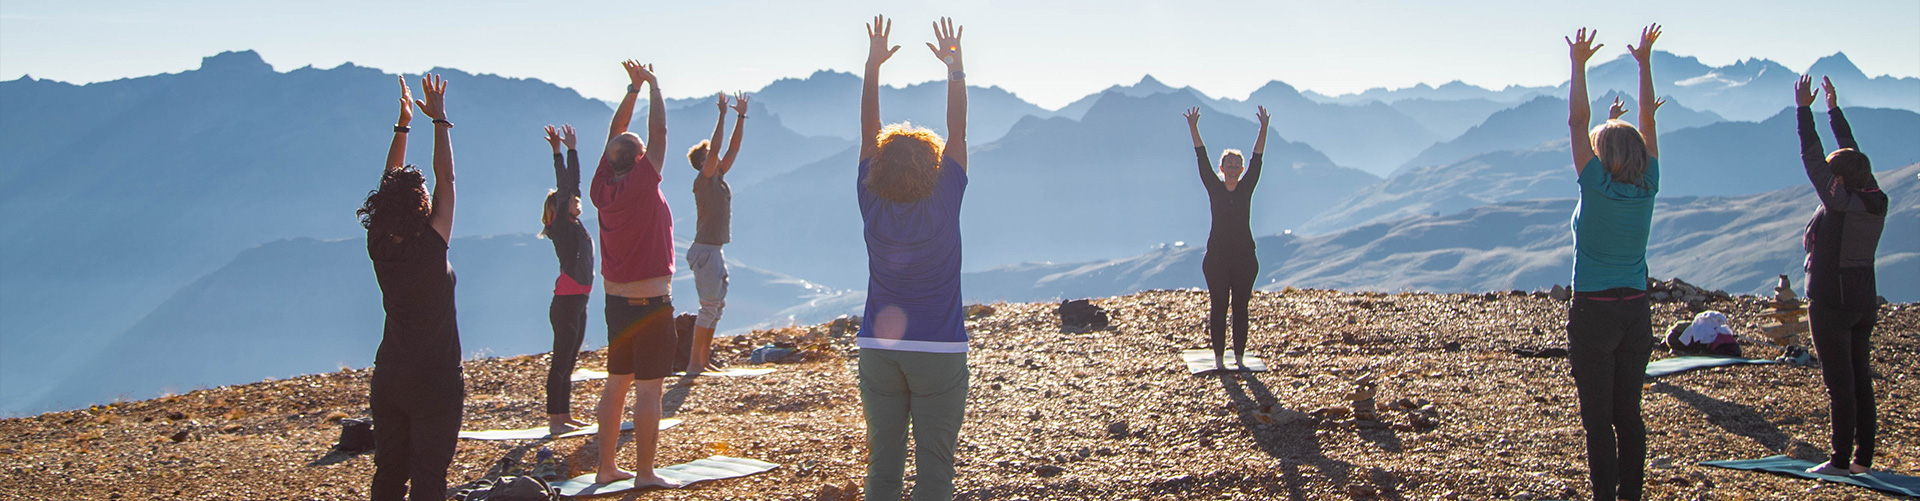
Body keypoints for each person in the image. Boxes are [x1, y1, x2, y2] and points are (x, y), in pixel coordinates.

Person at [855, 15, 971, 501]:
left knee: (883, 465)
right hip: (939, 351)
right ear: (934, 163)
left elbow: (868, 130)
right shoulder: (945, 197)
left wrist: (872, 67)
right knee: (934, 471)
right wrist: (954, 68)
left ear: (879, 163)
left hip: (878, 350)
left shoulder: (871, 199)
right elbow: (958, 128)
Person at [1563, 25, 1663, 501]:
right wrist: (1643, 63)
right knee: (1629, 414)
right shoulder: (1649, 185)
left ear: (1602, 157)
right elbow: (1646, 122)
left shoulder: (1594, 185)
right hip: (1635, 311)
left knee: (1597, 419)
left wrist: (1578, 66)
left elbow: (1575, 123)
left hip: (1594, 312)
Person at [358, 74, 462, 501]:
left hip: (391, 375)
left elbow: (390, 184)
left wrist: (403, 126)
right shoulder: (432, 243)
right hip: (435, 379)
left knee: (389, 474)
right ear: (421, 204)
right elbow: (446, 179)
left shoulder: (378, 241)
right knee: (428, 477)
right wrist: (439, 121)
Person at [587, 60, 681, 489]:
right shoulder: (644, 179)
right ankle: (644, 473)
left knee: (616, 384)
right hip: (652, 304)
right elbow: (658, 134)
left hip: (615, 302)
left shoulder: (601, 186)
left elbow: (614, 138)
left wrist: (631, 90)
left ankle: (606, 467)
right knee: (648, 390)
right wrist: (655, 86)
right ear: (641, 159)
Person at [1793, 74, 1887, 476]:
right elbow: (1855, 157)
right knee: (1860, 380)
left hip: (1833, 302)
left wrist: (1803, 111)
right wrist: (1833, 111)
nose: (1827, 182)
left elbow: (1814, 161)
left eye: (1835, 178)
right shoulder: (1872, 196)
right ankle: (1863, 459)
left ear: (1840, 182)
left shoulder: (1840, 204)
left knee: (1839, 385)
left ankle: (1838, 461)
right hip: (1864, 302)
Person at [1181, 104, 1270, 372]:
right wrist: (1193, 128)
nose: (1232, 169)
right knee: (1219, 307)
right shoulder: (1214, 187)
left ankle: (1239, 359)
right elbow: (1201, 158)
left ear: (1241, 170)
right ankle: (1219, 359)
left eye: (1236, 165)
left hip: (1245, 258)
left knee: (1241, 308)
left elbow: (1258, 158)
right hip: (1217, 259)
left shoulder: (1246, 187)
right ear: (1222, 167)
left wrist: (1263, 128)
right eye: (1228, 165)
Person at [685, 92, 750, 373]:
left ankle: (703, 360)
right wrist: (722, 115)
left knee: (716, 307)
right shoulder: (703, 180)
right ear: (703, 163)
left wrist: (741, 116)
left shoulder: (719, 179)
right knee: (710, 306)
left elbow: (733, 150)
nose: (719, 158)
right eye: (711, 157)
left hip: (715, 250)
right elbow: (718, 151)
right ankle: (693, 364)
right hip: (706, 251)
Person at [540, 123, 593, 435]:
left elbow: (575, 183)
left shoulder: (573, 221)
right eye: (570, 198)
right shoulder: (561, 225)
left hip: (580, 300)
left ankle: (565, 415)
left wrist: (574, 151)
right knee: (560, 361)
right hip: (566, 303)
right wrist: (560, 152)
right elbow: (567, 186)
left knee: (571, 359)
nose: (576, 197)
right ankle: (554, 419)